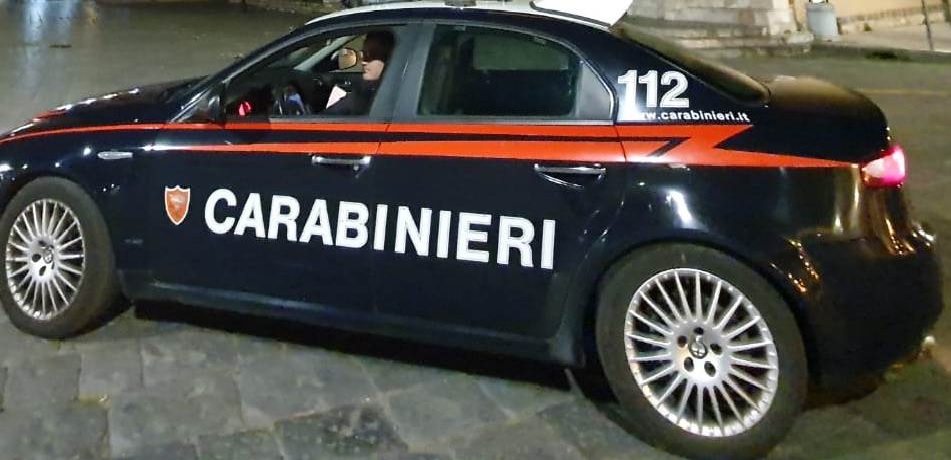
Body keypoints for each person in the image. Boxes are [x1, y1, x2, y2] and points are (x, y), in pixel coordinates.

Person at [323, 30, 395, 116]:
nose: (363, 62)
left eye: (372, 55)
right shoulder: (364, 91)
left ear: (390, 59)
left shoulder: (363, 97)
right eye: (363, 55)